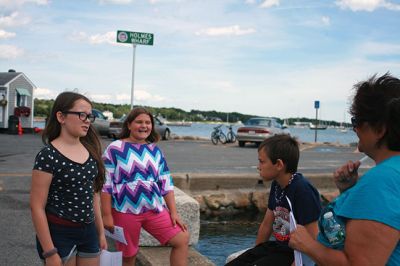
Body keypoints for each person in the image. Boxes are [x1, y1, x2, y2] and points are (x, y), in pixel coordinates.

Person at [289, 73, 400, 265]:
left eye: (356, 121)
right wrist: (348, 190)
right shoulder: (391, 175)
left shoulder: (381, 181)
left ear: (380, 129)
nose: (354, 129)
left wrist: (307, 244)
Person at [101, 107, 189, 266]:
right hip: (124, 210)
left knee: (181, 238)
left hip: (154, 209)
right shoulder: (115, 148)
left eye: (148, 122)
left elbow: (166, 183)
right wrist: (106, 215)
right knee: (128, 256)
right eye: (139, 122)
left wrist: (174, 212)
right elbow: (105, 185)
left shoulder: (155, 150)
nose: (144, 126)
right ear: (129, 125)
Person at [30, 91, 107, 266]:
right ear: (61, 116)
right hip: (59, 233)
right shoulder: (48, 156)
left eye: (89, 116)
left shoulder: (92, 153)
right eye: (81, 115)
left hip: (89, 233)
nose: (87, 120)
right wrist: (49, 251)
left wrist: (100, 233)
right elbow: (37, 206)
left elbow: (94, 196)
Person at [226, 134, 322, 266]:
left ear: (278, 165)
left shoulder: (302, 190)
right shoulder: (277, 185)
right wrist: (256, 253)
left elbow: (314, 236)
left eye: (262, 161)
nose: (258, 166)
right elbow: (267, 224)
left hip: (295, 254)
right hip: (279, 247)